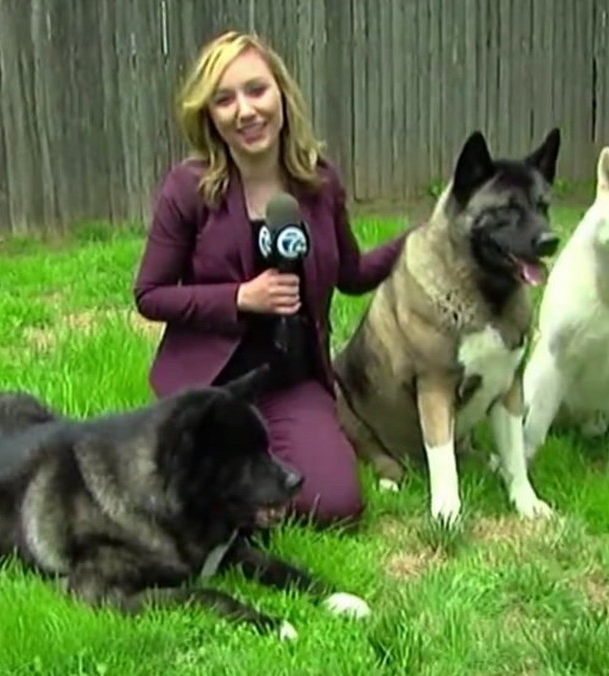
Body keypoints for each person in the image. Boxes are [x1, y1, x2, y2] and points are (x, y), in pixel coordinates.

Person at [132, 30, 407, 529]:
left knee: (336, 505)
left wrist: (419, 241)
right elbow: (150, 295)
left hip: (290, 380)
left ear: (281, 92)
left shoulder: (318, 182)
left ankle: (259, 481)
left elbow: (350, 273)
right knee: (175, 502)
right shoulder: (190, 188)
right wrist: (241, 298)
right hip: (213, 384)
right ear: (209, 115)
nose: (245, 110)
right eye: (224, 99)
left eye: (256, 90)